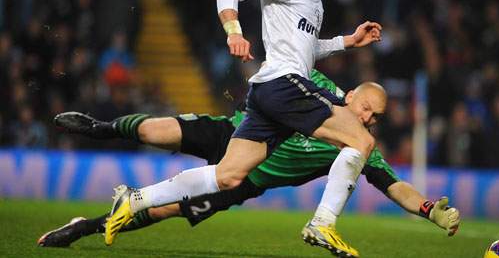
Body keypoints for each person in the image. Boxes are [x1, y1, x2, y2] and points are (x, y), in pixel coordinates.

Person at [106, 0, 383, 257]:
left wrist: (347, 41)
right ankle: (323, 223)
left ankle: (134, 199)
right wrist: (234, 33)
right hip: (285, 85)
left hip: (272, 91)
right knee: (360, 138)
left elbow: (306, 51)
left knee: (227, 177)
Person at [40, 70, 460, 251]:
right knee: (155, 130)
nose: (369, 120)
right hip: (237, 133)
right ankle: (99, 127)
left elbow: (394, 186)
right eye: (367, 109)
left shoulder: (358, 150)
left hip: (246, 181)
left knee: (166, 209)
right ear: (350, 96)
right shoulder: (315, 84)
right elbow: (275, 75)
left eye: (376, 118)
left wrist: (428, 210)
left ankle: (85, 227)